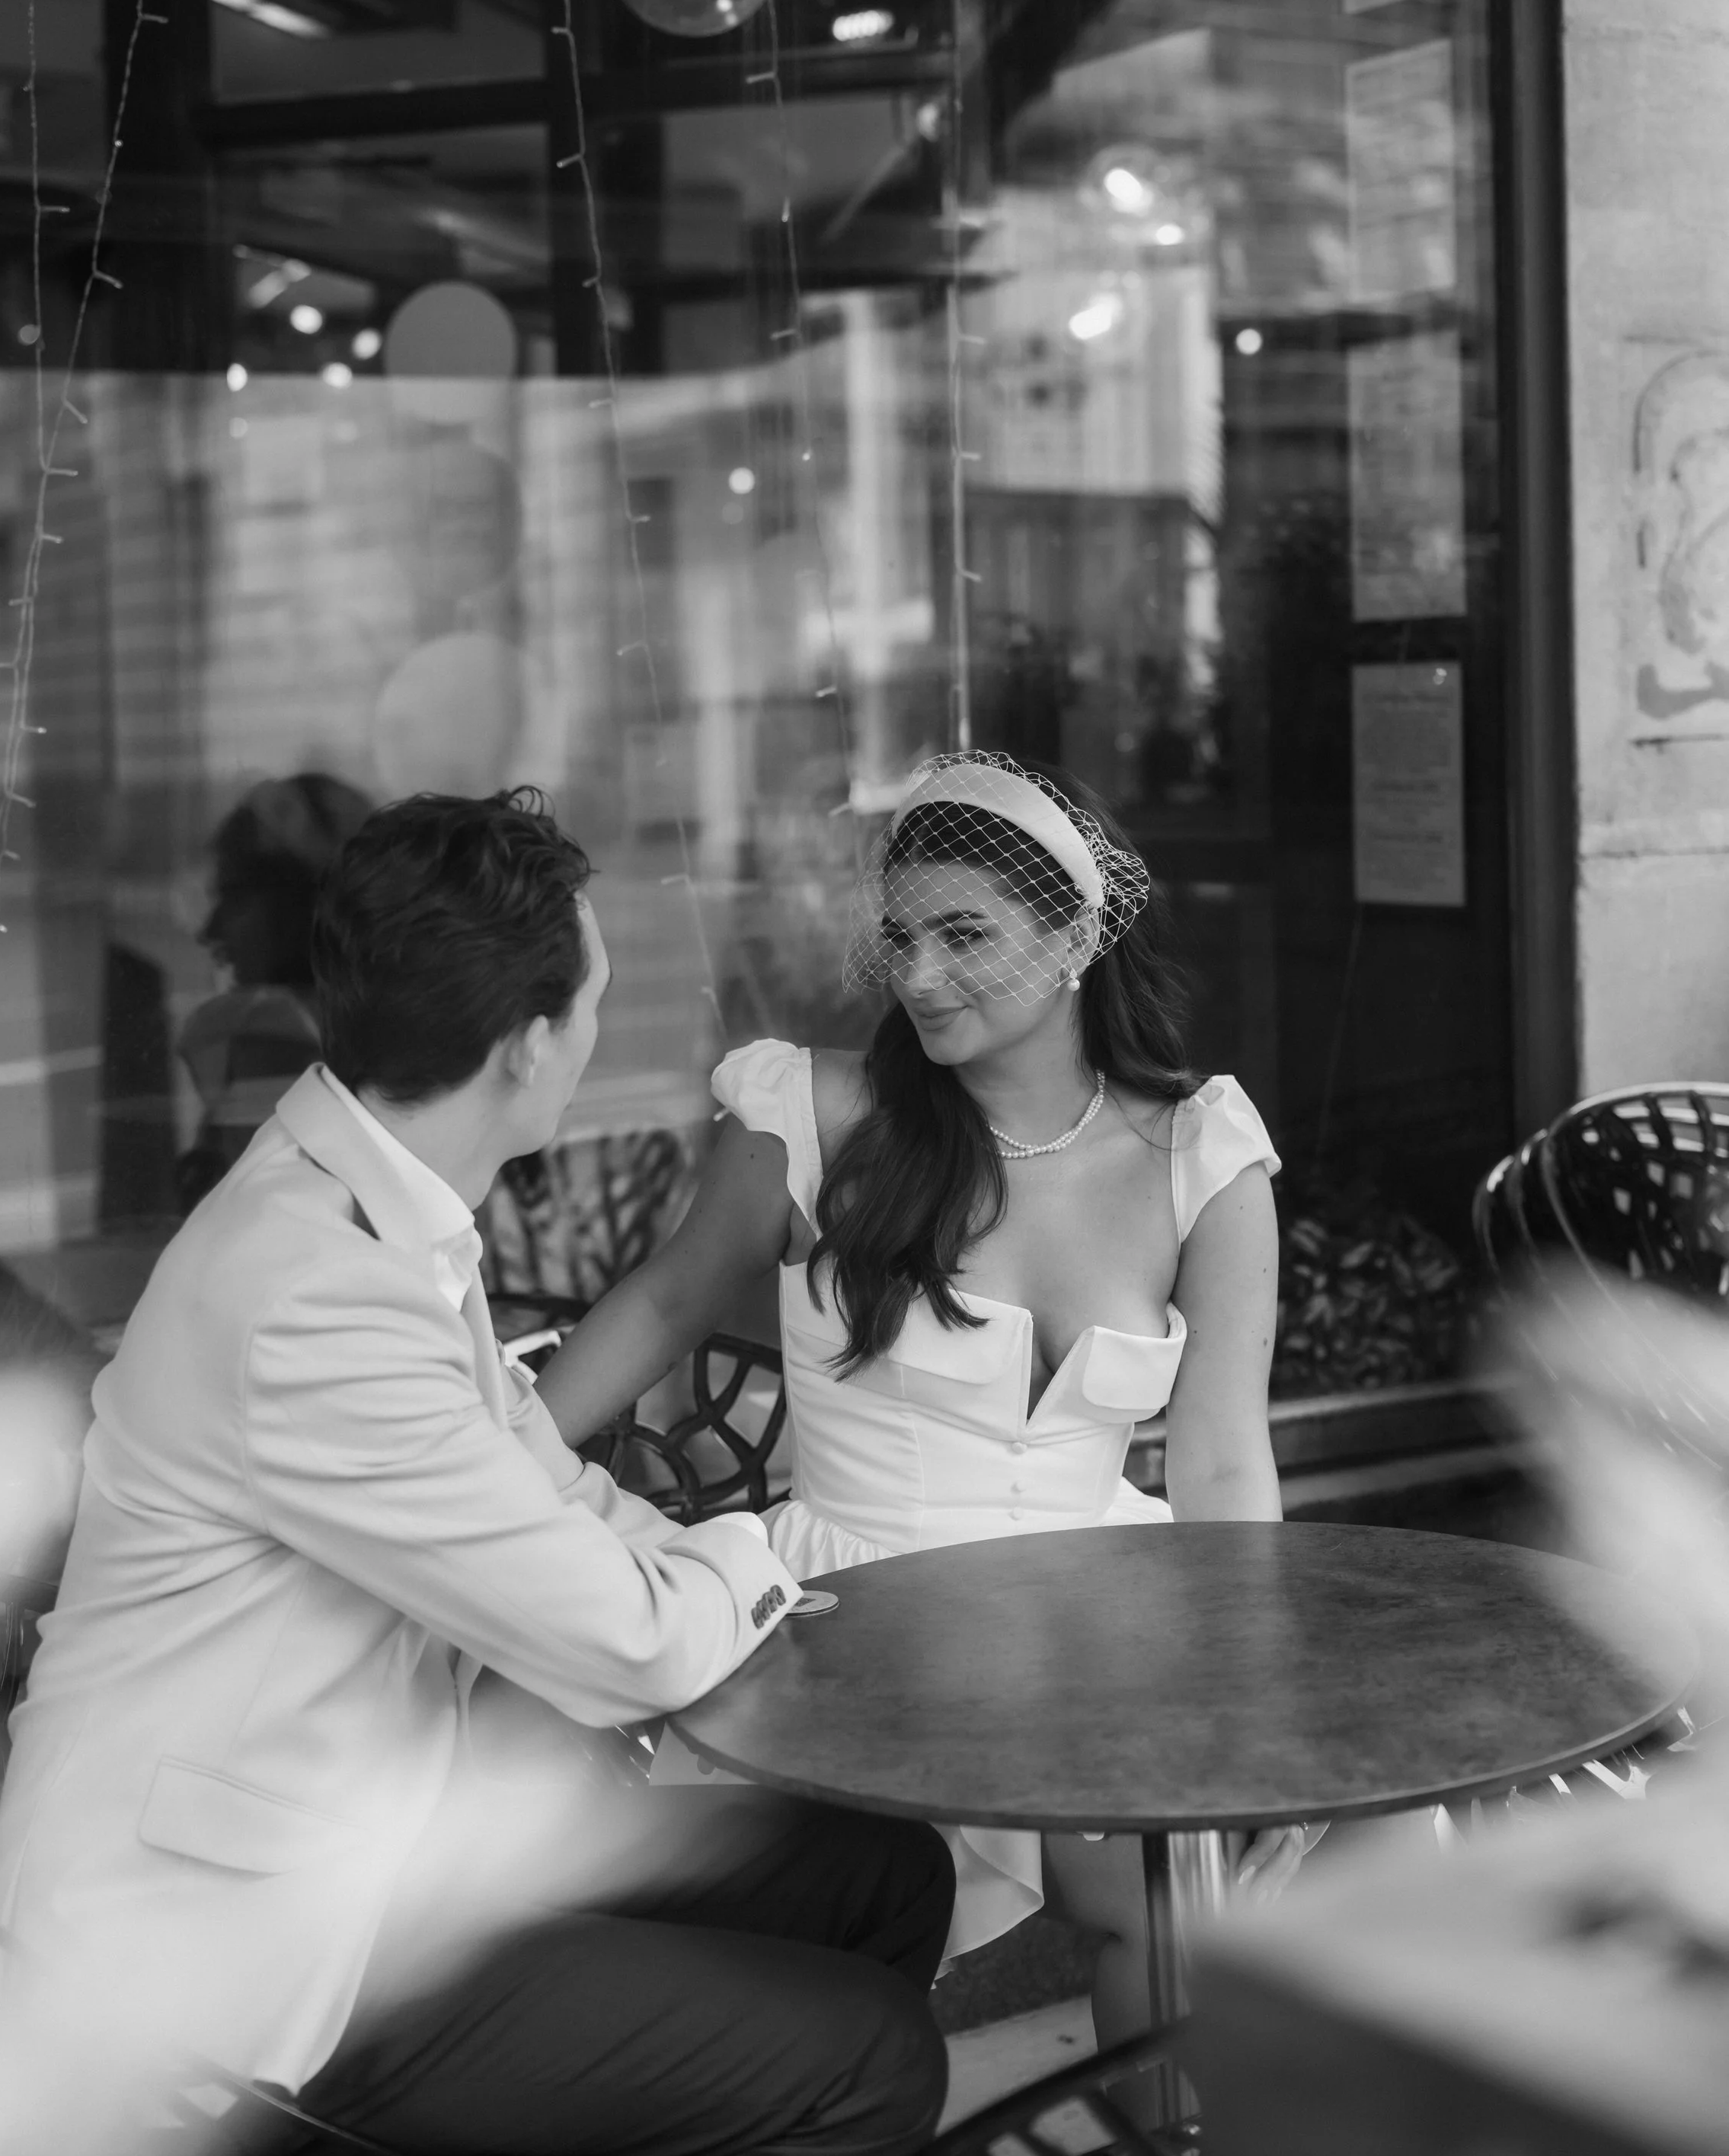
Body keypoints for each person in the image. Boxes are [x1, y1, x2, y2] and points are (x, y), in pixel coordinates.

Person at [0, 790, 953, 2156]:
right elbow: (625, 1644)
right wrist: (753, 1563)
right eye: (592, 1001)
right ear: (526, 1045)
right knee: (863, 2059)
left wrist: (713, 1581)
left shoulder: (369, 1205)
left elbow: (539, 1489)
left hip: (373, 1854)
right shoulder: (313, 1288)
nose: (596, 1032)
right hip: (244, 1946)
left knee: (876, 1878)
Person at [540, 749, 1305, 2047]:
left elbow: (1225, 1461)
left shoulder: (1203, 1155)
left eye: (966, 935)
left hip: (1096, 1619)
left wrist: (1264, 1701)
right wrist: (486, 1460)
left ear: (1077, 938)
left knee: (1187, 1906)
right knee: (834, 1977)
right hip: (855, 1616)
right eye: (901, 937)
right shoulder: (817, 1115)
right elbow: (665, 1303)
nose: (921, 974)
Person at [174, 771, 373, 1211]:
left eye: (234, 896)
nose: (212, 930)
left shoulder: (277, 1034)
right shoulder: (411, 1047)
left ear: (302, 901)